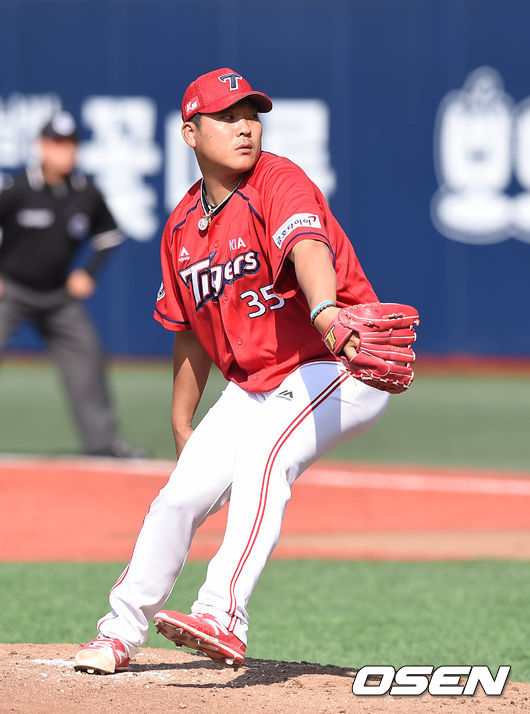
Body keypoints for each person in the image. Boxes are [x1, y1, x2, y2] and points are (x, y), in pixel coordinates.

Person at [74, 68, 418, 674]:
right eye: (227, 117)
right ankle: (119, 632)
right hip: (259, 384)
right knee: (178, 498)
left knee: (264, 453)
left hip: (338, 361)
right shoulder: (182, 226)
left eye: (251, 116)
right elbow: (189, 327)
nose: (245, 128)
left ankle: (223, 613)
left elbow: (308, 247)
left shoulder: (278, 181)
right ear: (190, 132)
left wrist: (325, 310)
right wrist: (182, 420)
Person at [0, 111, 147, 458]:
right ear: (41, 146)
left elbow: (110, 235)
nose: (63, 151)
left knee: (87, 355)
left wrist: (88, 272)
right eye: (56, 143)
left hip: (57, 295)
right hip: (13, 290)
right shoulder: (18, 189)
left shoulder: (85, 192)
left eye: (70, 144)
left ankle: (103, 443)